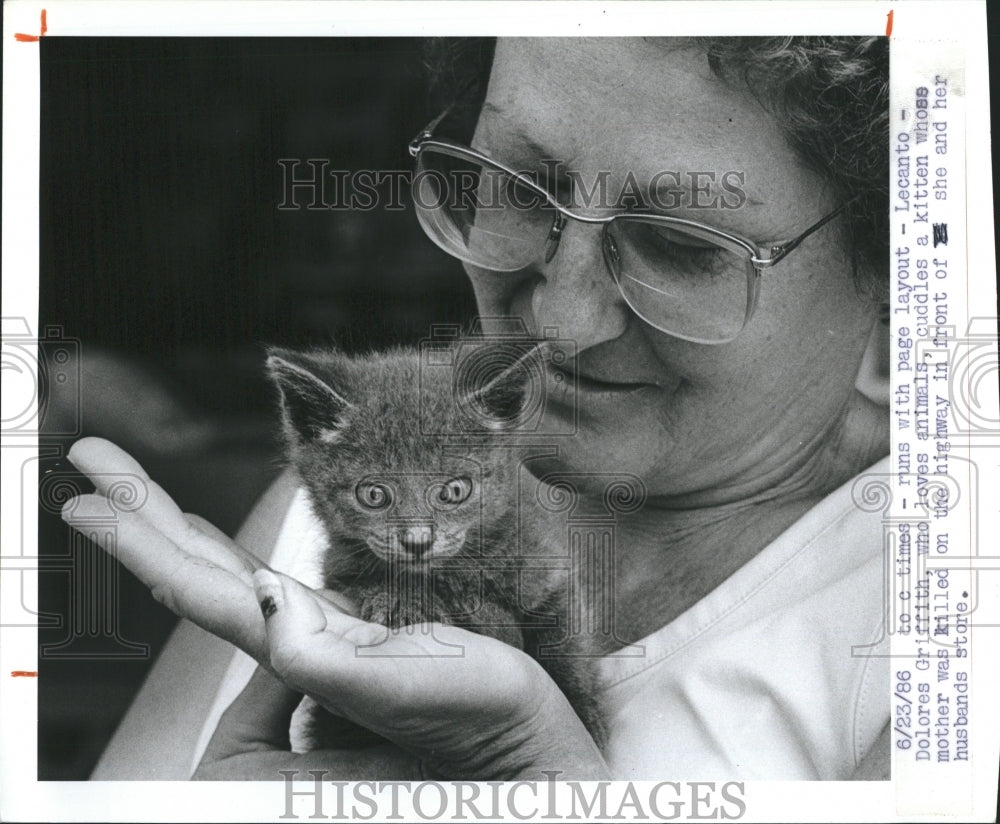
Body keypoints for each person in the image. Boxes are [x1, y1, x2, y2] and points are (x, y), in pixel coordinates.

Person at [67, 35, 891, 781]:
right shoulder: (343, 504)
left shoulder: (924, 608)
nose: (559, 324)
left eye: (680, 246)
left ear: (893, 278)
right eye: (522, 187)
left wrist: (532, 771)